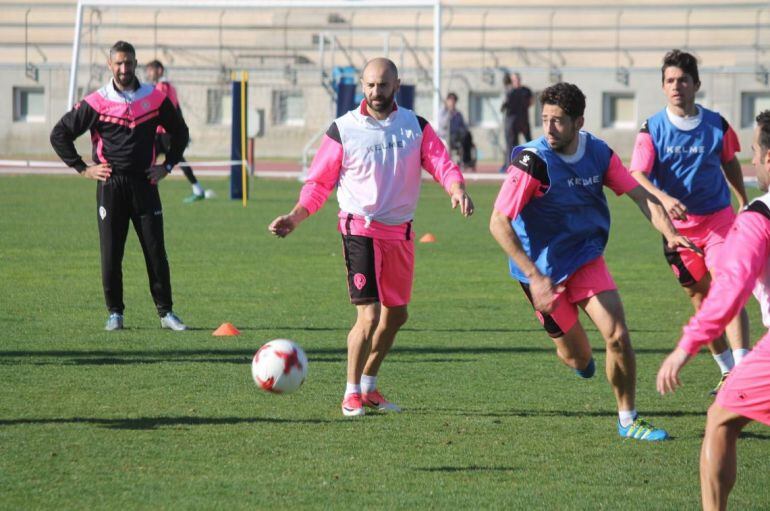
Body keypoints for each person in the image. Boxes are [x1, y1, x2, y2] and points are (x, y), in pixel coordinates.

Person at [489, 82, 699, 441]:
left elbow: (640, 196)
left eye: (558, 121)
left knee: (617, 335)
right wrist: (534, 277)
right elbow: (498, 221)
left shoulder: (598, 153)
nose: (549, 128)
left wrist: (669, 231)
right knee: (578, 359)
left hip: (585, 257)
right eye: (545, 120)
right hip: (540, 270)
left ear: (578, 122)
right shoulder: (532, 161)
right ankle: (580, 361)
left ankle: (628, 418)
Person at [268, 57, 474, 417]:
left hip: (401, 233)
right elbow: (319, 183)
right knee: (369, 315)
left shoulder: (415, 126)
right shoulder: (344, 129)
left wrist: (455, 187)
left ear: (397, 84)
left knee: (396, 316)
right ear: (362, 86)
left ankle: (369, 386)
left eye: (383, 84)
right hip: (359, 228)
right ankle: (349, 393)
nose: (376, 92)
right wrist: (296, 216)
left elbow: (441, 163)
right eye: (370, 85)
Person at [657, 110, 770, 511]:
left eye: (756, 151)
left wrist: (685, 347)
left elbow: (730, 290)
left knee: (720, 419)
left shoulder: (760, 216)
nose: (752, 161)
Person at [630, 49, 750, 395]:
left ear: (696, 84)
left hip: (718, 222)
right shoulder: (651, 128)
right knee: (702, 301)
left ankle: (742, 370)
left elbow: (730, 162)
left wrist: (742, 198)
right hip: (678, 232)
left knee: (730, 287)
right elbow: (637, 174)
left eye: (683, 79)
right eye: (669, 80)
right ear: (663, 87)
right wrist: (665, 199)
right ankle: (727, 370)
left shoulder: (717, 123)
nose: (676, 85)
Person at [50, 41, 189, 331]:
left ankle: (166, 313)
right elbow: (60, 133)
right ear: (110, 65)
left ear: (135, 63)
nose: (124, 69)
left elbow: (181, 131)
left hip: (145, 183)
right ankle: (115, 313)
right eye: (119, 64)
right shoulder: (97, 101)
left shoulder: (154, 97)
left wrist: (166, 166)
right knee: (111, 253)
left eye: (128, 63)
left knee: (155, 251)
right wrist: (82, 168)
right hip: (111, 185)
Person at [145, 59, 208, 203]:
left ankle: (197, 189)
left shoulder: (163, 87)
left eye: (150, 70)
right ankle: (149, 190)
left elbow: (158, 108)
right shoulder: (168, 87)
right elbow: (177, 109)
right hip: (163, 132)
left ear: (159, 71)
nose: (148, 73)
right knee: (153, 159)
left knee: (172, 159)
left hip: (164, 133)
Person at [500, 72, 533, 172]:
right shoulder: (509, 91)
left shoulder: (525, 90)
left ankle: (532, 163)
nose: (516, 81)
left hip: (523, 119)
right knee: (512, 144)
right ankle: (510, 165)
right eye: (514, 79)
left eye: (517, 79)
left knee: (529, 142)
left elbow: (531, 101)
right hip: (512, 121)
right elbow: (503, 107)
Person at [439, 92, 476, 172]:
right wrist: (449, 113)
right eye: (451, 101)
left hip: (459, 136)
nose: (453, 103)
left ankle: (467, 161)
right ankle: (465, 161)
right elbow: (443, 125)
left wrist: (466, 129)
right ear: (447, 101)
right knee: (462, 137)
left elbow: (464, 125)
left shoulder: (458, 113)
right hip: (447, 136)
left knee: (467, 135)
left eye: (454, 101)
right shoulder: (443, 112)